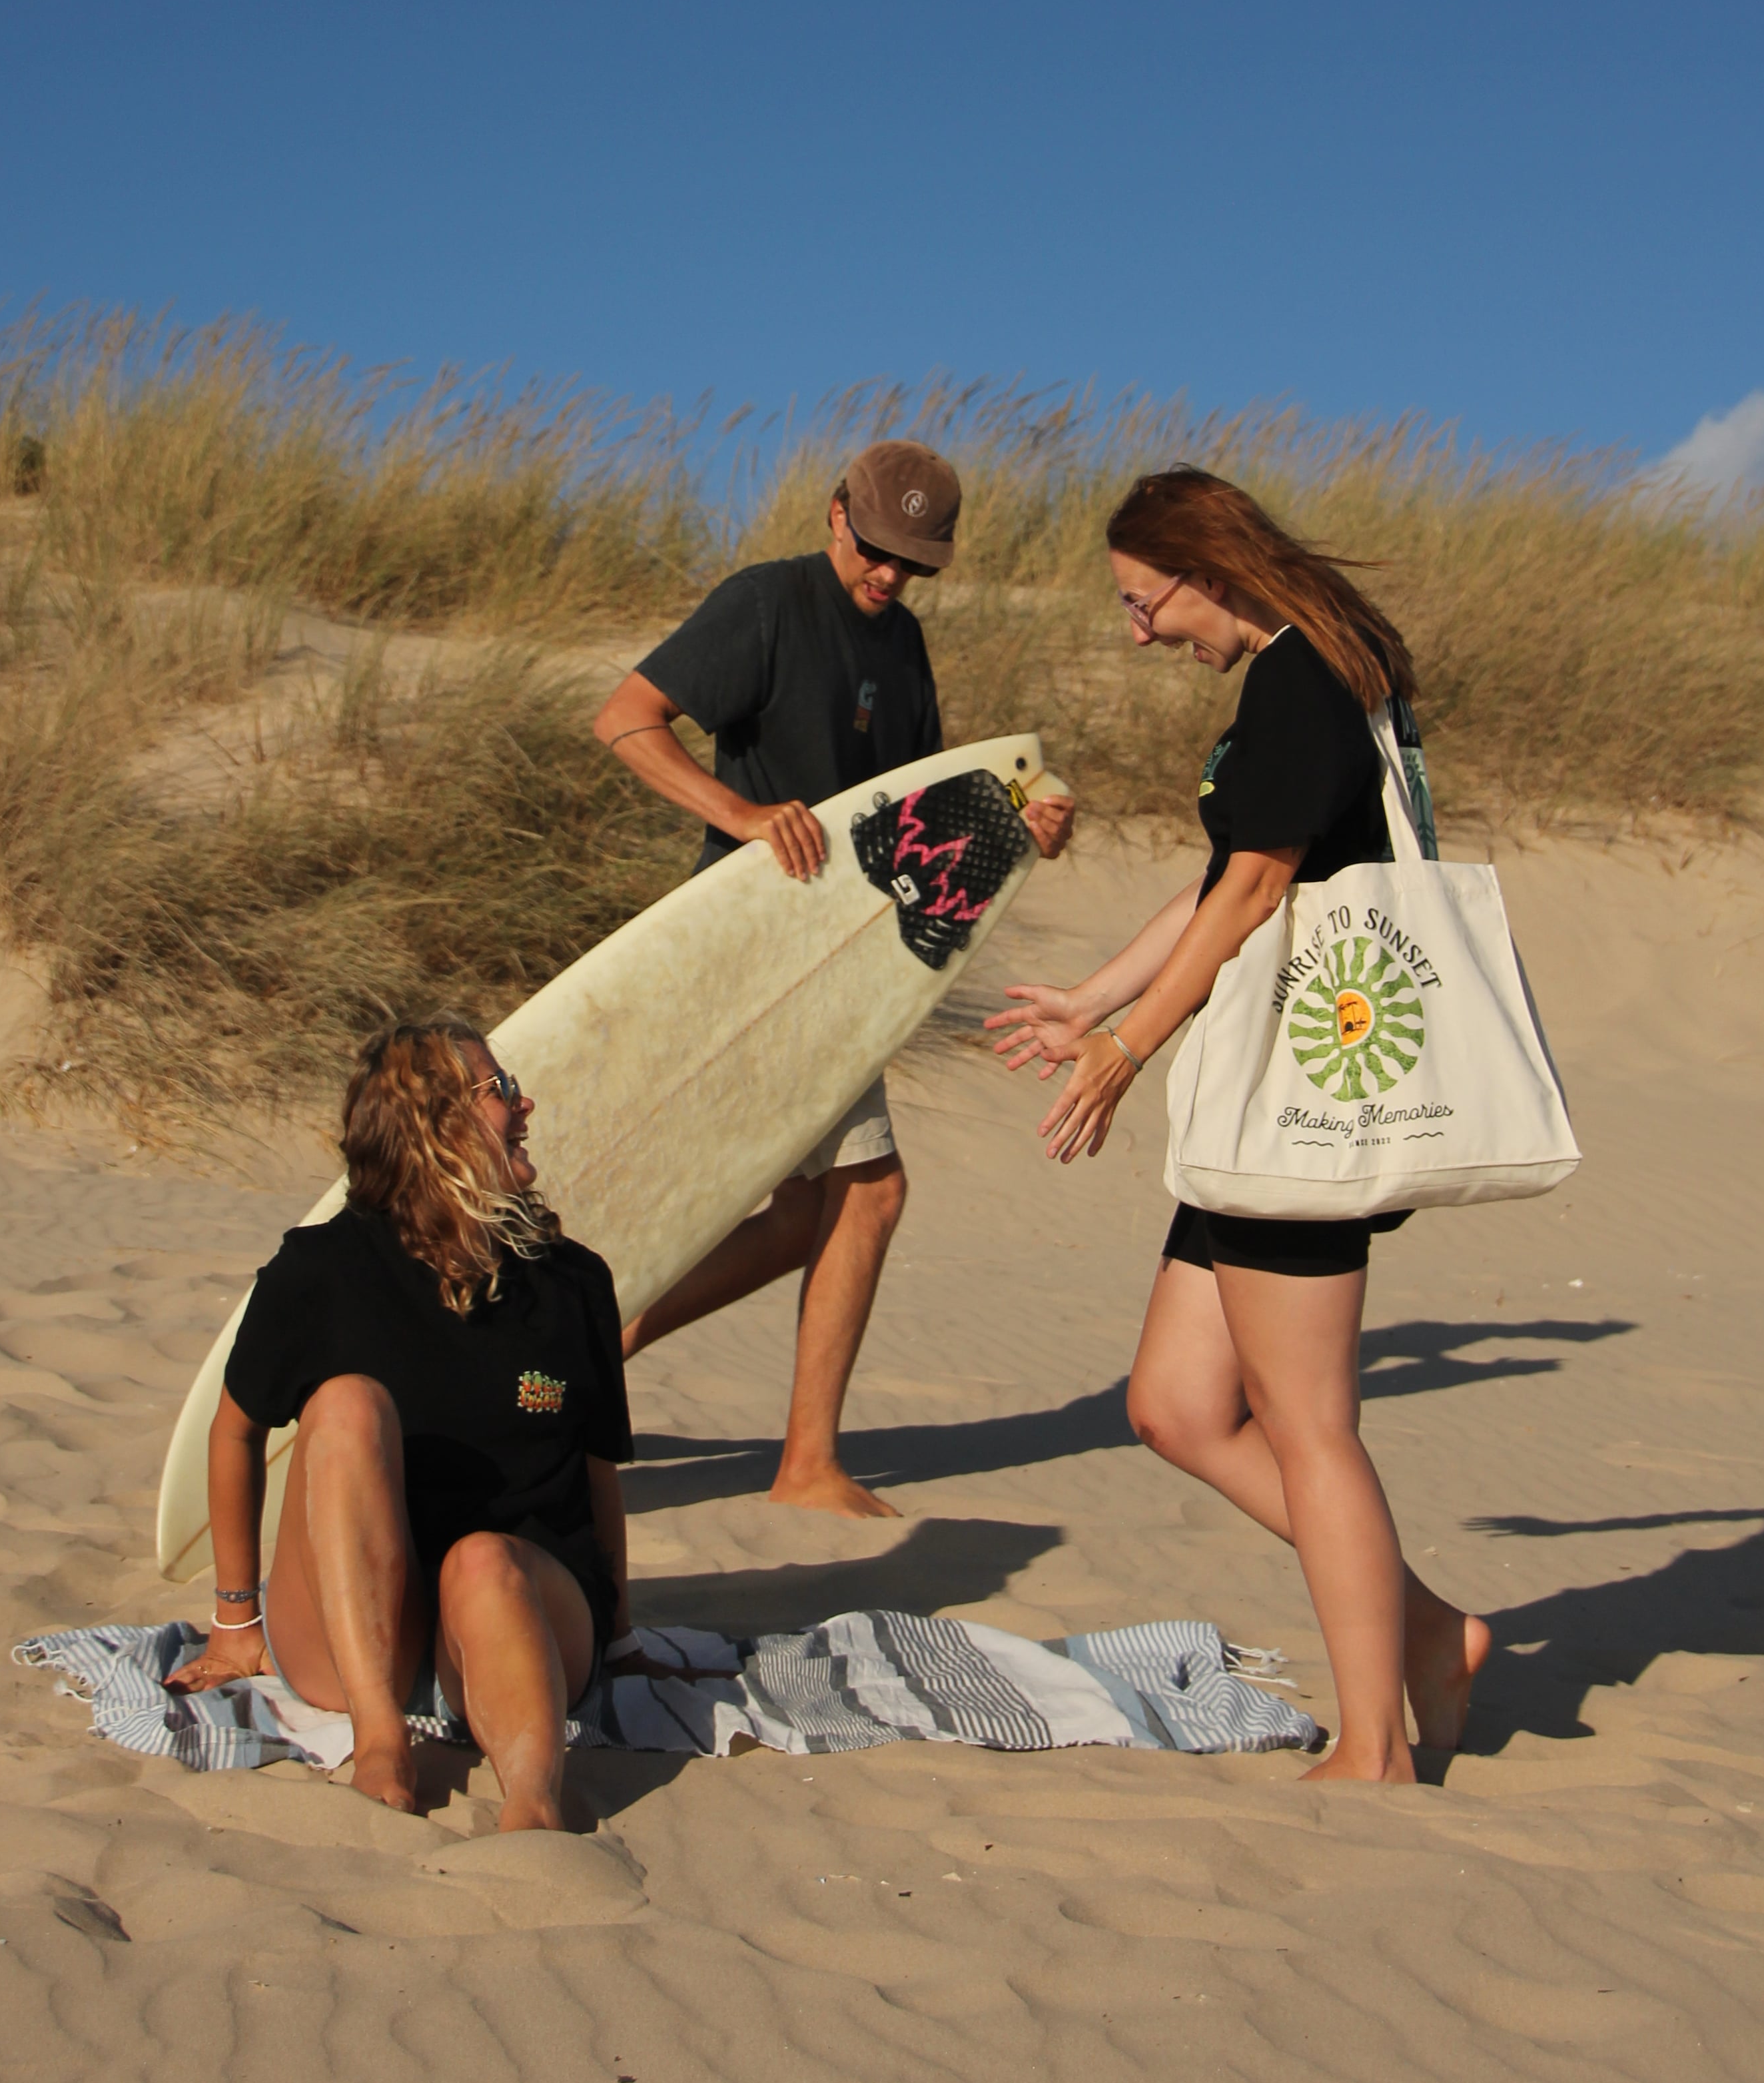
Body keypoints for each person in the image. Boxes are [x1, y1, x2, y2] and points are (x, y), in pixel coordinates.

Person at [987, 465, 1488, 1783]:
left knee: (1308, 1419)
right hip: (1272, 1104)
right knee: (1173, 1405)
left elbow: (1261, 886)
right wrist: (1093, 998)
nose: (1138, 631)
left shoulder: (1306, 681)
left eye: (1146, 603)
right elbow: (1230, 875)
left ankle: (1375, 1740)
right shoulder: (1299, 675)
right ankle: (1429, 1633)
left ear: (1211, 572)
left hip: (1308, 1105)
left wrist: (1127, 1047)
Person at [594, 440, 1075, 1518]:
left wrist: (1026, 822)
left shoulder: (901, 647)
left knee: (810, 1204)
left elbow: (926, 818)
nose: (890, 577)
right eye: (877, 552)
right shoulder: (766, 603)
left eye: (914, 564)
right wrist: (746, 815)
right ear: (835, 516)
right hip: (750, 947)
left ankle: (604, 1346)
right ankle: (801, 1459)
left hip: (838, 961)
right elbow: (623, 716)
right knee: (867, 1190)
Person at [165, 1020, 630, 1832]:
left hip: (519, 1608)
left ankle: (533, 1800)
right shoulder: (321, 1272)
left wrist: (621, 1637)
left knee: (482, 1562)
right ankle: (381, 1738)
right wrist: (236, 1621)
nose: (526, 1106)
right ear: (436, 1130)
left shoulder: (573, 1282)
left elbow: (597, 1476)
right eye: (500, 1091)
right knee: (346, 1405)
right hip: (355, 1628)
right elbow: (233, 1431)